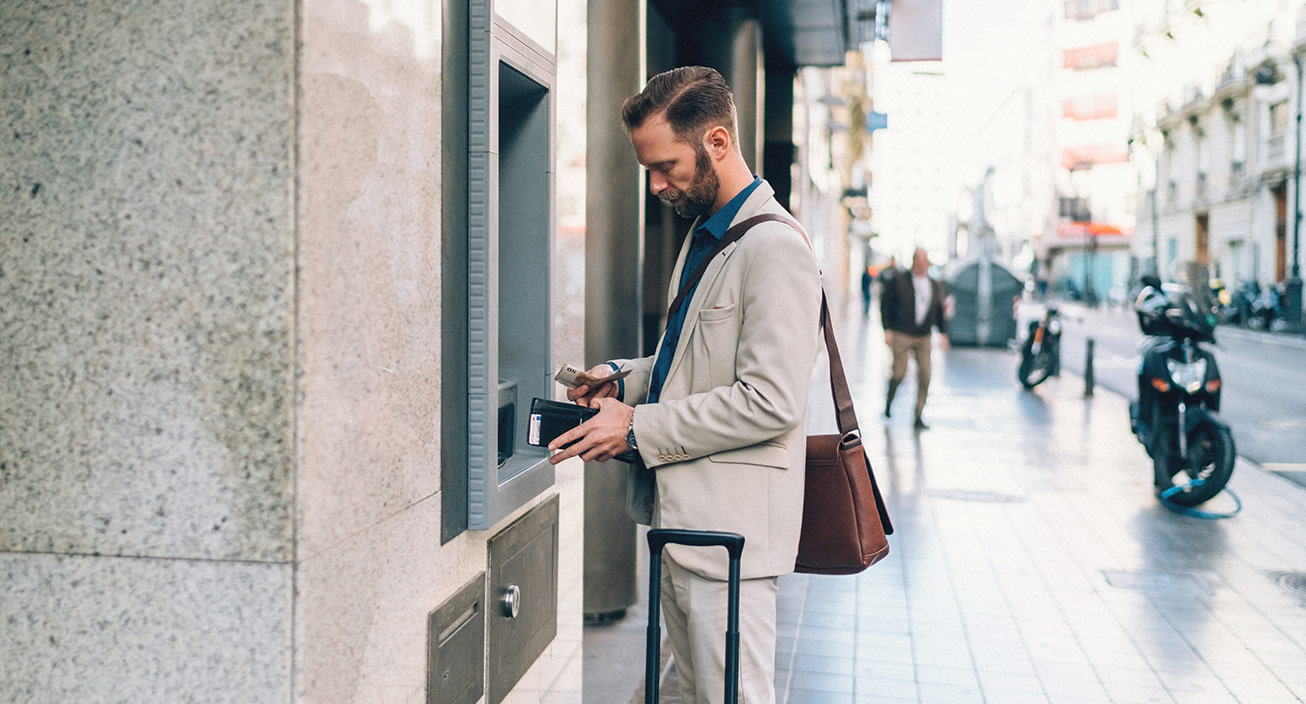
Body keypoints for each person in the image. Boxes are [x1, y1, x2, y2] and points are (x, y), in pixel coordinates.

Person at [546, 66, 822, 704]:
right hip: (687, 528)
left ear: (718, 142)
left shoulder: (773, 248)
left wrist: (637, 426)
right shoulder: (708, 236)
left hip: (731, 542)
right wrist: (621, 379)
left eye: (666, 164)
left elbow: (771, 401)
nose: (656, 183)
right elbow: (692, 361)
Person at [879, 247, 948, 430]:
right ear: (913, 261)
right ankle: (889, 402)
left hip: (924, 335)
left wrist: (942, 333)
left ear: (927, 262)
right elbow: (886, 303)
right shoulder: (899, 280)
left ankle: (918, 415)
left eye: (923, 259)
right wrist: (887, 329)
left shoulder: (934, 283)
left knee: (925, 374)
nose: (920, 263)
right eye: (917, 259)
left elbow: (939, 308)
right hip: (902, 332)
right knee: (899, 372)